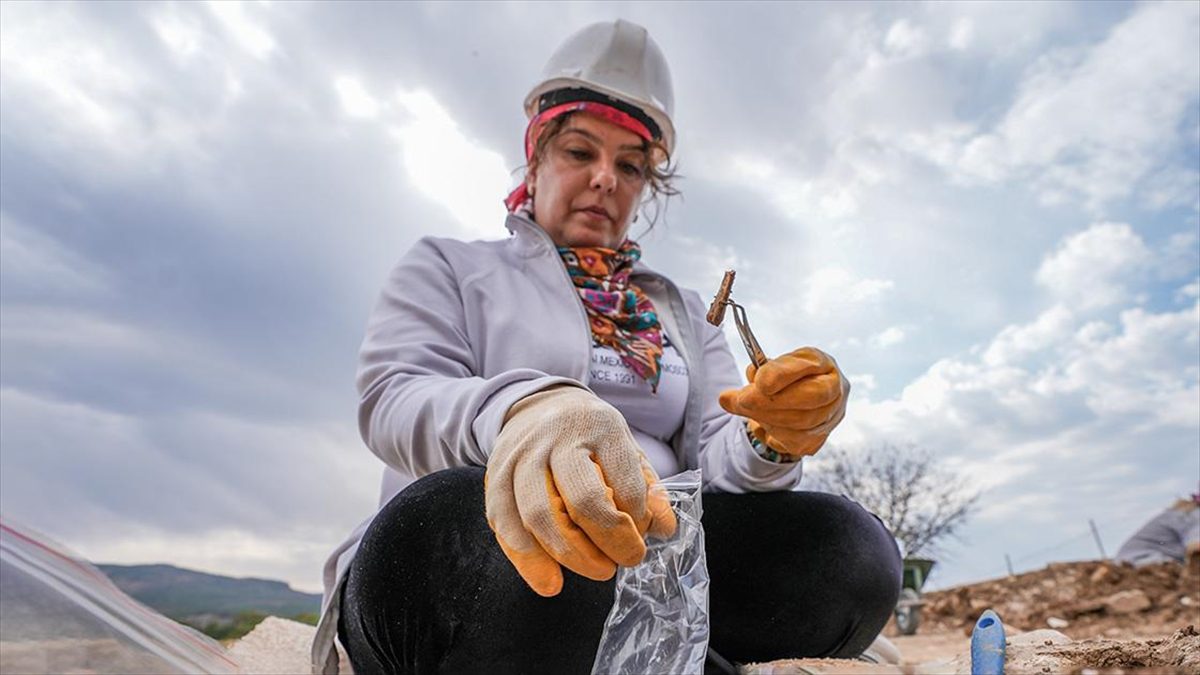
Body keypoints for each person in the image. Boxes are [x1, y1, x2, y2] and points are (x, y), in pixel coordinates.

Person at [312, 19, 901, 675]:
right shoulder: (450, 267)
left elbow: (717, 462)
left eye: (629, 165)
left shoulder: (680, 314)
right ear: (534, 158)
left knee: (851, 550)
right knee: (477, 532)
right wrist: (527, 409)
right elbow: (395, 399)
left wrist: (770, 436)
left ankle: (647, 646)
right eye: (579, 152)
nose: (604, 179)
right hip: (487, 554)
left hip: (659, 561)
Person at [1115, 493, 1200, 568]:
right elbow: (1196, 549)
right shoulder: (1195, 515)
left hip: (1124, 564)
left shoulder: (1184, 511)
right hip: (1144, 562)